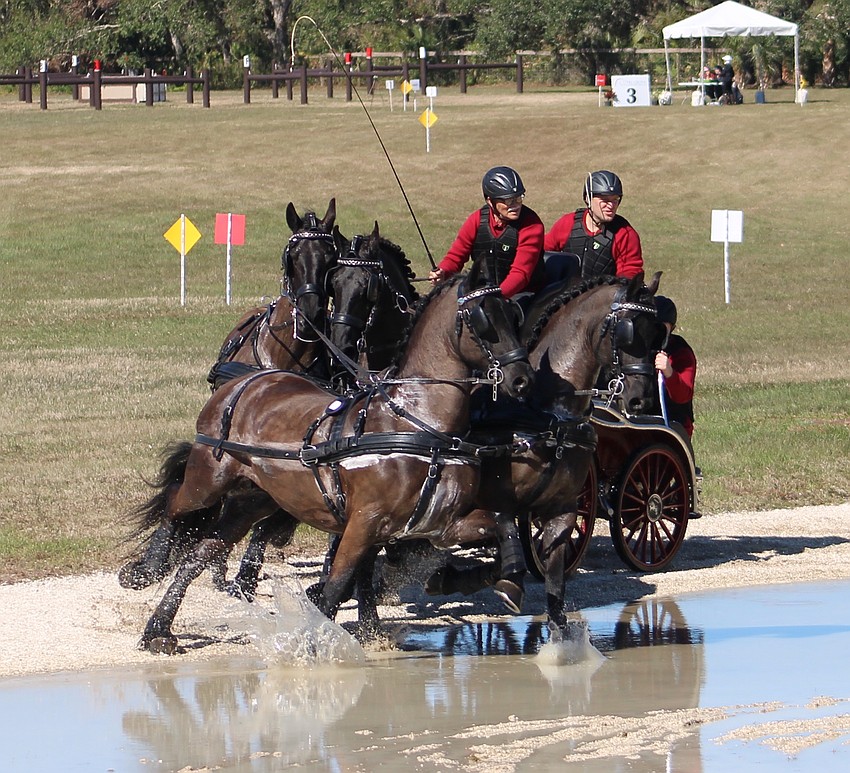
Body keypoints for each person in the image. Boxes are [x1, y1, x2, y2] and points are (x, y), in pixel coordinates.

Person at [428, 166, 545, 299]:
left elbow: (520, 274)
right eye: (508, 201)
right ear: (490, 201)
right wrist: (443, 272)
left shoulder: (532, 225)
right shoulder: (476, 220)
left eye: (518, 198)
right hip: (484, 292)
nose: (516, 205)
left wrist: (496, 297)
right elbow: (456, 256)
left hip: (523, 294)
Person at [543, 170, 643, 282]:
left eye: (615, 200)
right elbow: (542, 251)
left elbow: (630, 272)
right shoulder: (567, 223)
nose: (611, 206)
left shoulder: (625, 234)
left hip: (603, 297)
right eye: (605, 200)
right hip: (564, 295)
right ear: (588, 199)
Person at [654, 296, 697, 438]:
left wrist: (669, 372)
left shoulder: (681, 352)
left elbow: (683, 396)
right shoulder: (638, 349)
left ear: (672, 328)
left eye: (662, 326)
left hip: (674, 423)